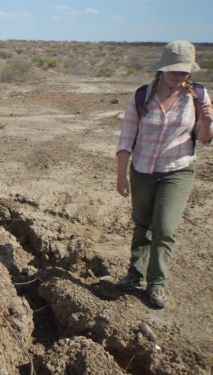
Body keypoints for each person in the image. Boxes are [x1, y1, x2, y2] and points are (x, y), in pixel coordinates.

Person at [115, 40, 213, 308]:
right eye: (174, 70)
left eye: (184, 71)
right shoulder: (142, 96)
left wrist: (206, 122)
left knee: (165, 227)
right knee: (142, 224)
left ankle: (157, 283)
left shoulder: (198, 97)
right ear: (162, 69)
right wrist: (121, 176)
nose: (180, 76)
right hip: (143, 170)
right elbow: (126, 139)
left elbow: (205, 139)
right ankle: (134, 275)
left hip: (177, 171)